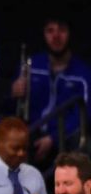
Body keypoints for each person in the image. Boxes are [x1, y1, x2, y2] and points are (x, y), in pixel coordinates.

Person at [12, 17, 91, 164]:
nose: (56, 36)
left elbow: (85, 116)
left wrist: (53, 138)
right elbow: (14, 107)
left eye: (61, 30)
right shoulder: (31, 65)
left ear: (70, 34)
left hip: (65, 141)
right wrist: (13, 91)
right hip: (31, 137)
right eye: (50, 30)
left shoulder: (84, 73)